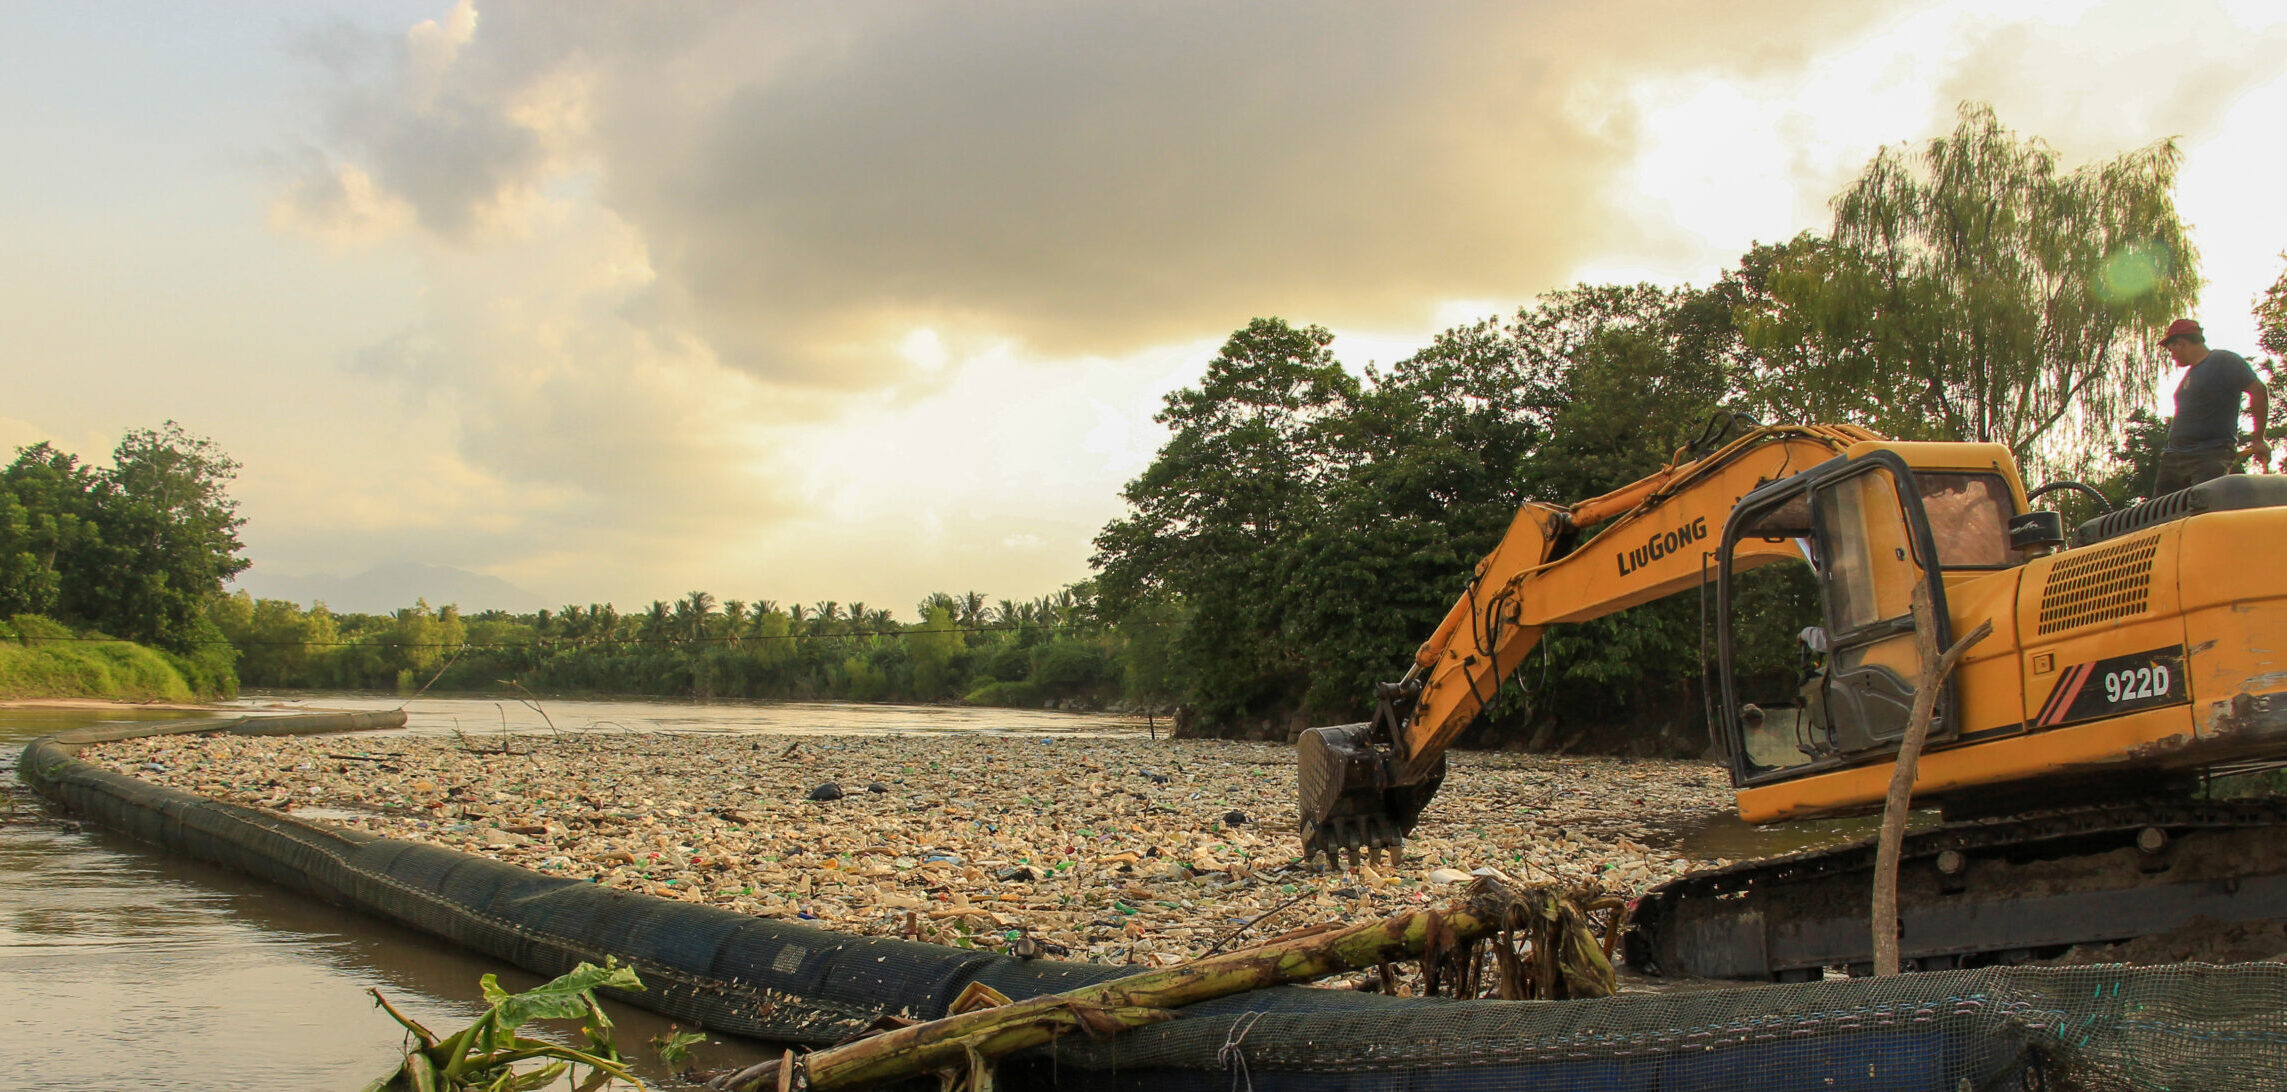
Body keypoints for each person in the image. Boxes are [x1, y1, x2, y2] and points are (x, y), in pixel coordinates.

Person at [2153, 318, 2270, 496]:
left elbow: (2258, 391)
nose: (2172, 356)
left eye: (2171, 350)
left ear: (2181, 343)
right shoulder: (2190, 375)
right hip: (2174, 456)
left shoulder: (2224, 361)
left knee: (2204, 506)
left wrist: (2258, 438)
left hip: (2209, 453)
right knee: (2159, 514)